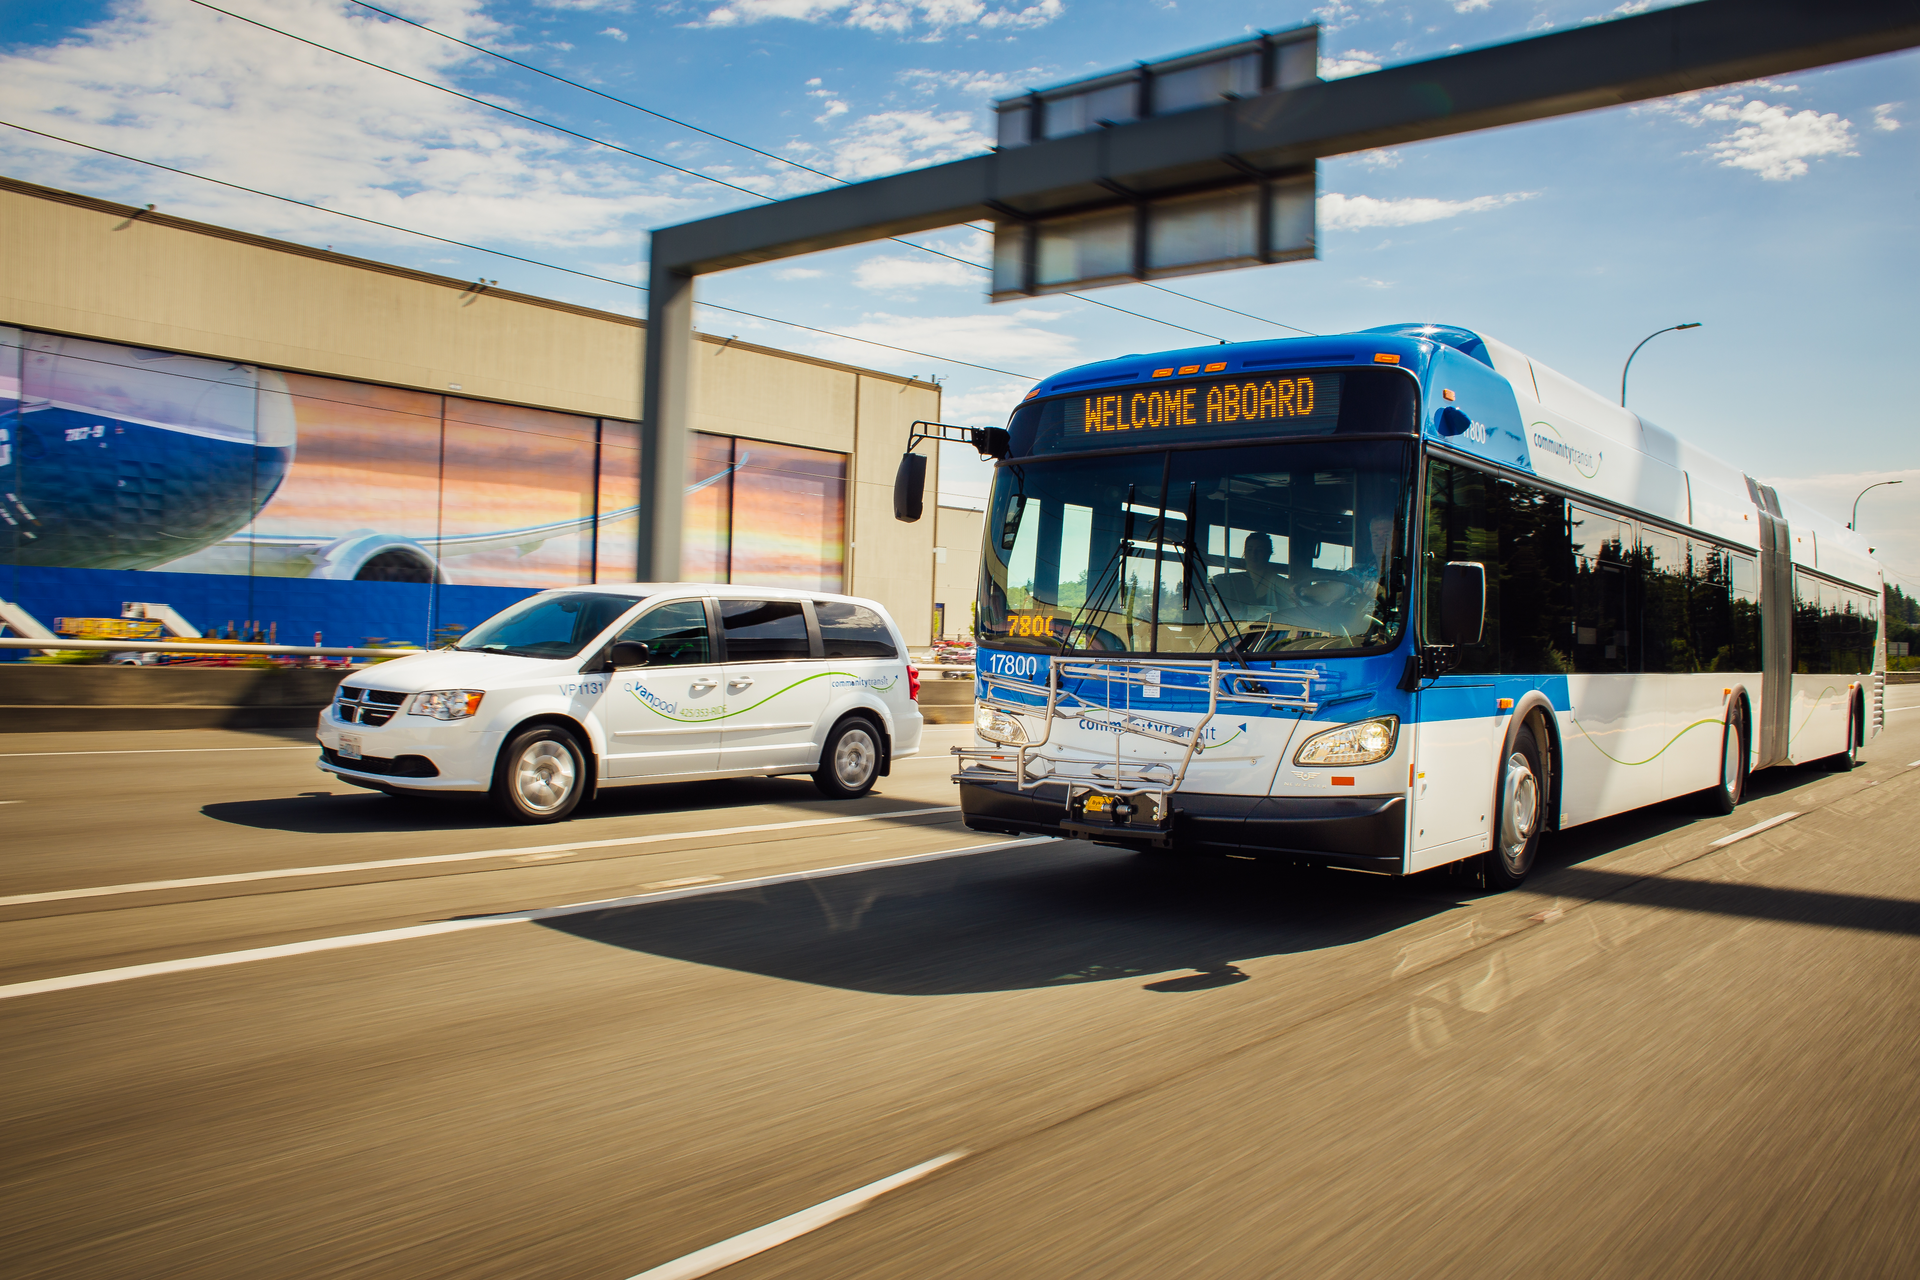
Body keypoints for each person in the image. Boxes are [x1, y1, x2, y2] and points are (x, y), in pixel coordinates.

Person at [1211, 531, 1295, 617]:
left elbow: (1298, 597)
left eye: (1259, 550)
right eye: (1249, 549)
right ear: (1245, 553)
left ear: (1268, 554)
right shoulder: (1231, 581)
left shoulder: (1280, 583)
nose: (1253, 554)